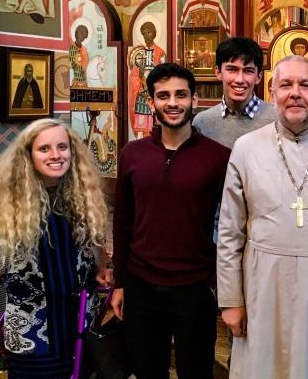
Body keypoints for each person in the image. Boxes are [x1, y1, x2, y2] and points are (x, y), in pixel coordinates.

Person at [217, 55, 308, 378]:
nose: (295, 93)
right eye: (286, 85)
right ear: (272, 93)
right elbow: (229, 232)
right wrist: (230, 300)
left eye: (305, 85)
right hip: (263, 285)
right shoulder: (246, 148)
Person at [112, 63, 231, 379]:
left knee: (197, 371)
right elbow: (123, 221)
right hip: (141, 285)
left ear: (194, 100)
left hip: (195, 286)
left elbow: (232, 225)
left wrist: (221, 284)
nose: (173, 102)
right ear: (151, 102)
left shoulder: (218, 157)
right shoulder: (132, 154)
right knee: (147, 370)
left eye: (181, 94)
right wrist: (119, 283)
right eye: (163, 96)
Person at [0, 119, 109, 378]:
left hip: (78, 318)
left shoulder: (83, 191)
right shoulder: (7, 197)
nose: (56, 155)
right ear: (28, 155)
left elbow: (95, 235)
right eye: (44, 149)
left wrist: (102, 266)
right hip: (31, 324)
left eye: (62, 147)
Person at [193, 37, 277, 150]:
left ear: (258, 77)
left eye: (248, 71)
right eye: (232, 70)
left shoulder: (277, 119)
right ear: (218, 73)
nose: (240, 79)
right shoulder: (202, 122)